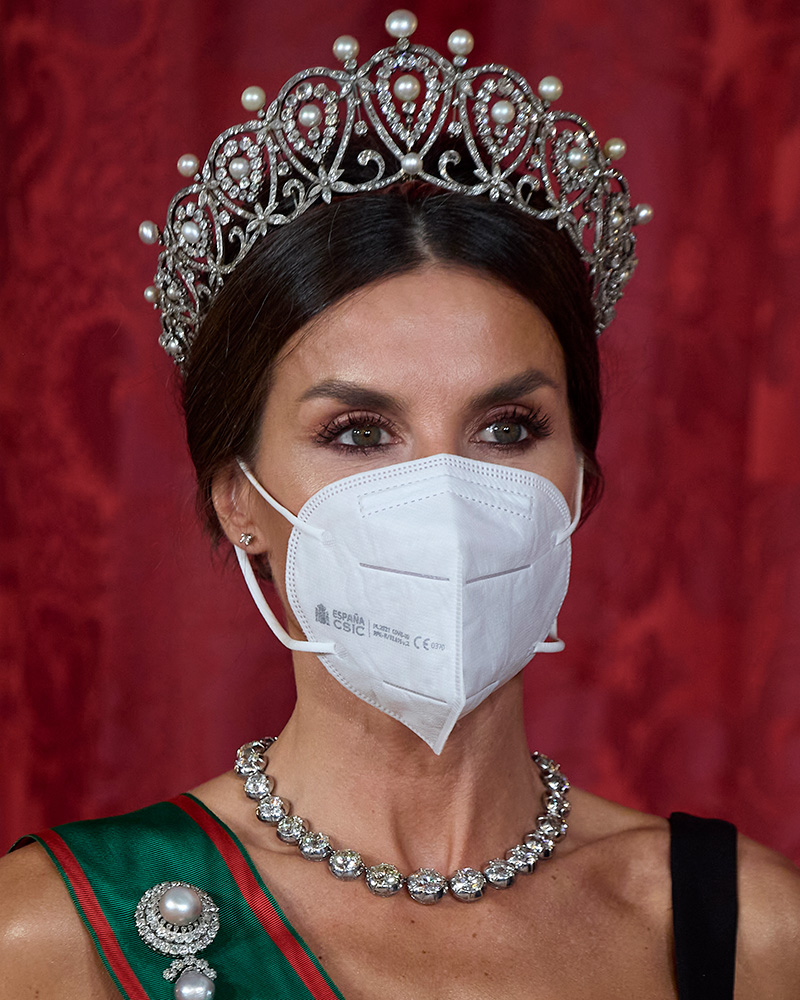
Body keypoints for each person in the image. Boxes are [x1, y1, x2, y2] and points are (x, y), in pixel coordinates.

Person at [1, 10, 798, 1000]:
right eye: (358, 433)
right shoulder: (56, 933)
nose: (445, 494)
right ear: (237, 499)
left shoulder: (743, 930)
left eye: (506, 427)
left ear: (578, 485)